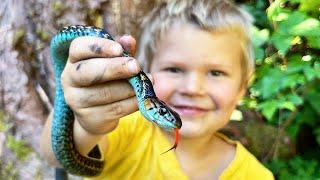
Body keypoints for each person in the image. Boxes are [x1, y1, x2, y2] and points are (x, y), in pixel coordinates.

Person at [40, 0, 274, 179]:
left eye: (216, 73)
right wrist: (88, 123)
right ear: (146, 69)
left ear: (242, 88)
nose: (193, 88)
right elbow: (53, 156)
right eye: (174, 69)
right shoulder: (125, 123)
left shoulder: (256, 175)